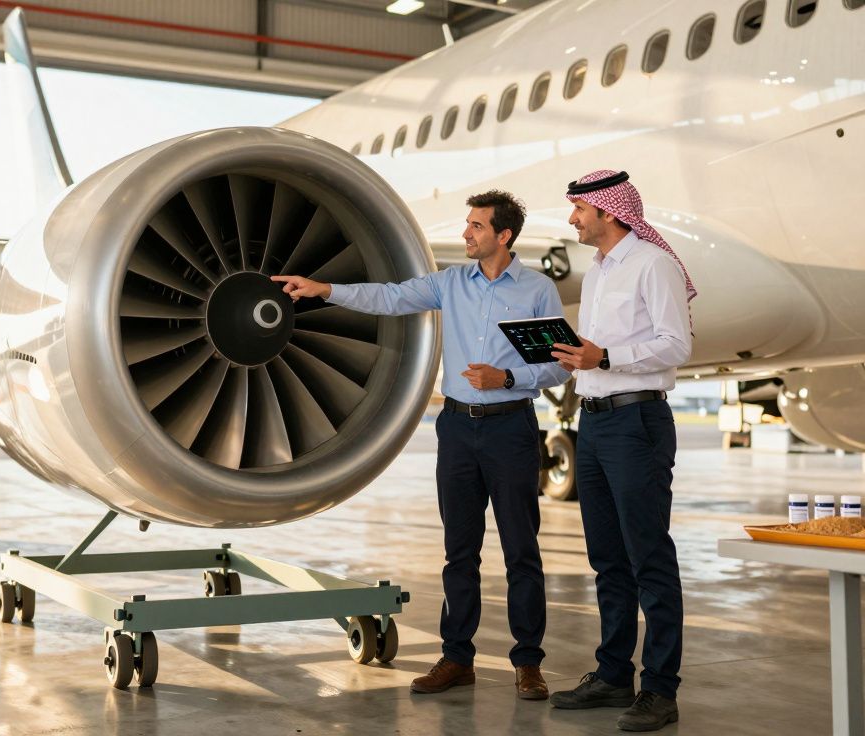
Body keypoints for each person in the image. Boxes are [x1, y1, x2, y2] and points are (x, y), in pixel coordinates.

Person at [272, 190, 569, 700]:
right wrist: (323, 289)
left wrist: (506, 377)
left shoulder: (537, 290)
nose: (466, 234)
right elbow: (389, 296)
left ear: (504, 235)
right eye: (468, 225)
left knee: (522, 551)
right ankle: (457, 658)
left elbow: (561, 362)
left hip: (511, 427)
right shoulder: (450, 283)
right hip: (457, 429)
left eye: (476, 226)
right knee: (460, 552)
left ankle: (528, 663)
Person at [547, 170, 696, 732]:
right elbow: (597, 353)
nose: (572, 219)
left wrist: (603, 357)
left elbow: (675, 344)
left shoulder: (652, 264)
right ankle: (613, 675)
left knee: (648, 557)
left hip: (638, 421)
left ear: (608, 212)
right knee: (607, 558)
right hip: (597, 423)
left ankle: (660, 690)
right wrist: (580, 358)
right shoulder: (599, 270)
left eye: (579, 208)